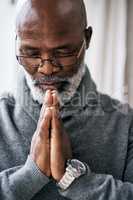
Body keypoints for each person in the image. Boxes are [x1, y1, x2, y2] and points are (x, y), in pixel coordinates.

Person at [0, 0, 133, 199]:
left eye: (62, 52)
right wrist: (29, 176)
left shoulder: (125, 124)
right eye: (31, 53)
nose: (46, 69)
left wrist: (74, 179)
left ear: (87, 39)